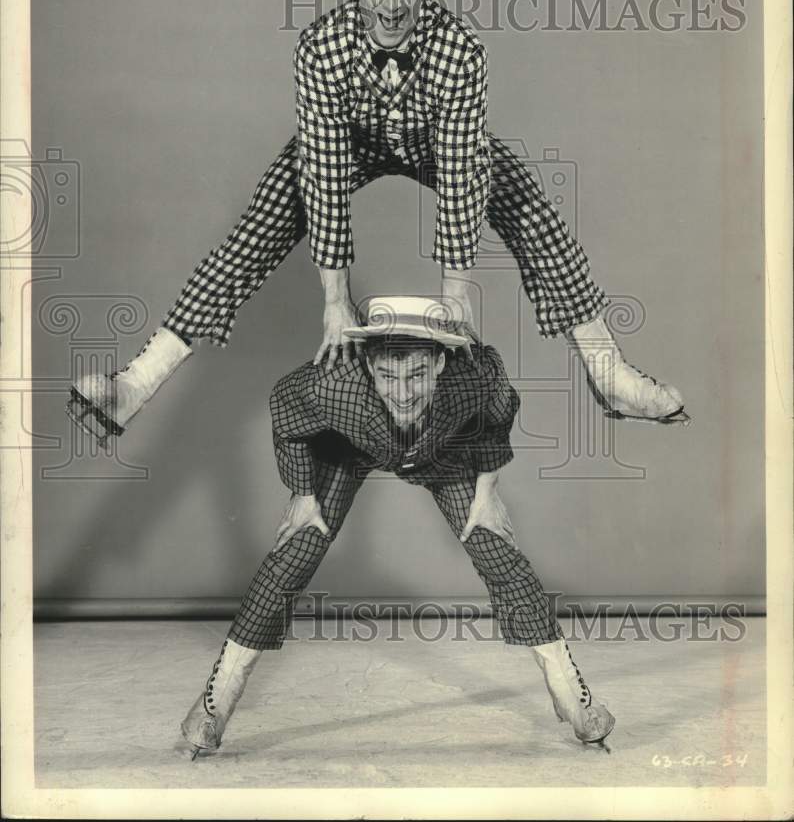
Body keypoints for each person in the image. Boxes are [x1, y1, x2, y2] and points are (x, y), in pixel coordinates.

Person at [67, 0, 689, 446]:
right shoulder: (319, 48)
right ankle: (135, 385)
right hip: (349, 144)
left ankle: (611, 374)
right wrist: (336, 302)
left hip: (433, 142)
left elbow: (461, 167)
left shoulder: (461, 51)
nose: (391, 2)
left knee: (531, 208)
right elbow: (325, 168)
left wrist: (453, 296)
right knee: (258, 225)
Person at [179, 296, 615, 757]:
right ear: (368, 364)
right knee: (295, 553)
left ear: (442, 361)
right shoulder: (334, 385)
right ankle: (214, 705)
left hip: (439, 454)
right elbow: (284, 407)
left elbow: (497, 416)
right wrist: (304, 493)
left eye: (417, 375)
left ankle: (574, 702)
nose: (403, 393)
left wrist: (487, 492)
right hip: (347, 448)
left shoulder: (475, 376)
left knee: (497, 551)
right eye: (388, 375)